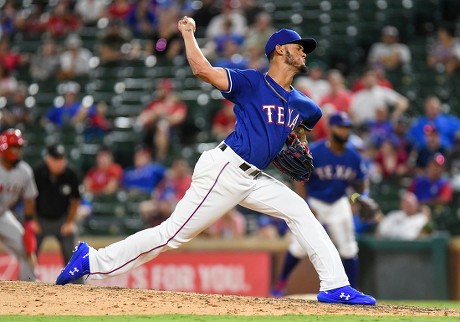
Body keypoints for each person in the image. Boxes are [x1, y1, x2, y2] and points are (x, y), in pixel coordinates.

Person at [56, 19, 376, 305]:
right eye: (298, 47)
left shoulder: (306, 105)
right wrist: (188, 34)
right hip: (225, 169)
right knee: (172, 235)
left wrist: (300, 142)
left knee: (300, 212)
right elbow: (202, 70)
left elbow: (304, 129)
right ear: (279, 51)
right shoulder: (252, 82)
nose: (305, 52)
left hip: (254, 178)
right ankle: (92, 261)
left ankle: (336, 286)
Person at [271, 112, 369, 296]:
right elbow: (299, 180)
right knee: (299, 247)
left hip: (339, 203)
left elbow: (360, 185)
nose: (344, 131)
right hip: (315, 202)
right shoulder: (316, 151)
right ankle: (281, 283)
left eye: (347, 128)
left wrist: (357, 198)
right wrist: (307, 204)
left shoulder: (354, 157)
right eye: (341, 127)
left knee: (348, 247)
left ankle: (353, 289)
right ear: (331, 129)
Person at [33, 144, 83, 283]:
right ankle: (25, 283)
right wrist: (33, 221)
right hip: (40, 219)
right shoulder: (38, 172)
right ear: (48, 159)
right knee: (29, 249)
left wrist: (69, 222)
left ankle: (80, 288)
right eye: (55, 159)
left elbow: (76, 201)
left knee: (73, 250)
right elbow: (29, 199)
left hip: (62, 219)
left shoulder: (70, 173)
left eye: (61, 159)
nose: (59, 162)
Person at [0, 129, 38, 281]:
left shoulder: (24, 171)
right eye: (14, 147)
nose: (18, 151)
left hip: (2, 215)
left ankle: (29, 289)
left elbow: (29, 199)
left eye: (19, 147)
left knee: (26, 249)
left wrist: (29, 224)